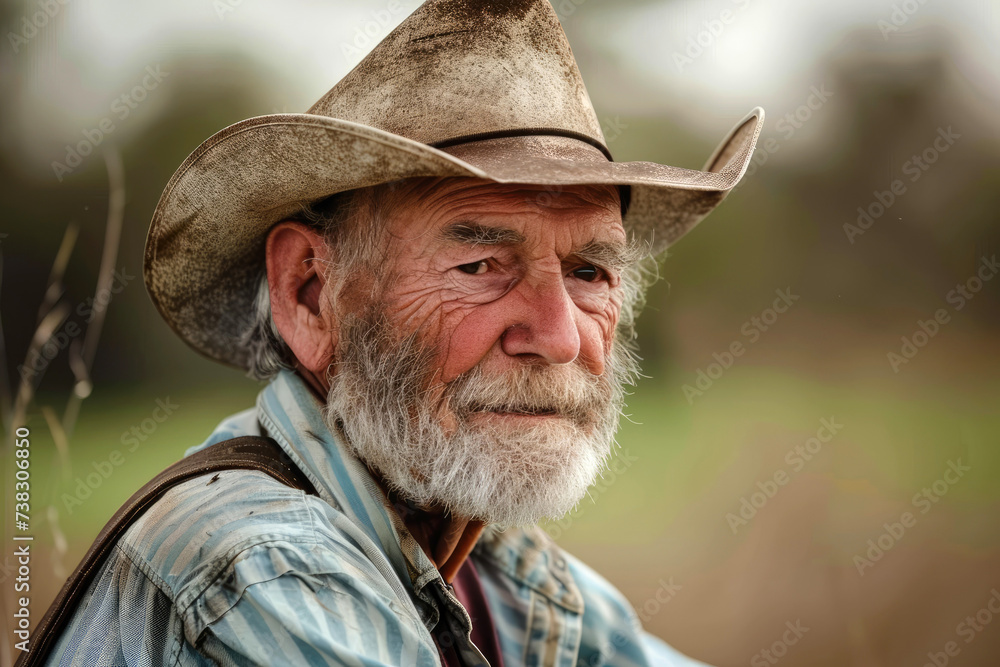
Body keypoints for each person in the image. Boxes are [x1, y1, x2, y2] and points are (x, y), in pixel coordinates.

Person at [47, 0, 761, 664]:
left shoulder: (490, 562)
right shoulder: (261, 565)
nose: (560, 337)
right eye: (481, 264)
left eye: (588, 273)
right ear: (310, 292)